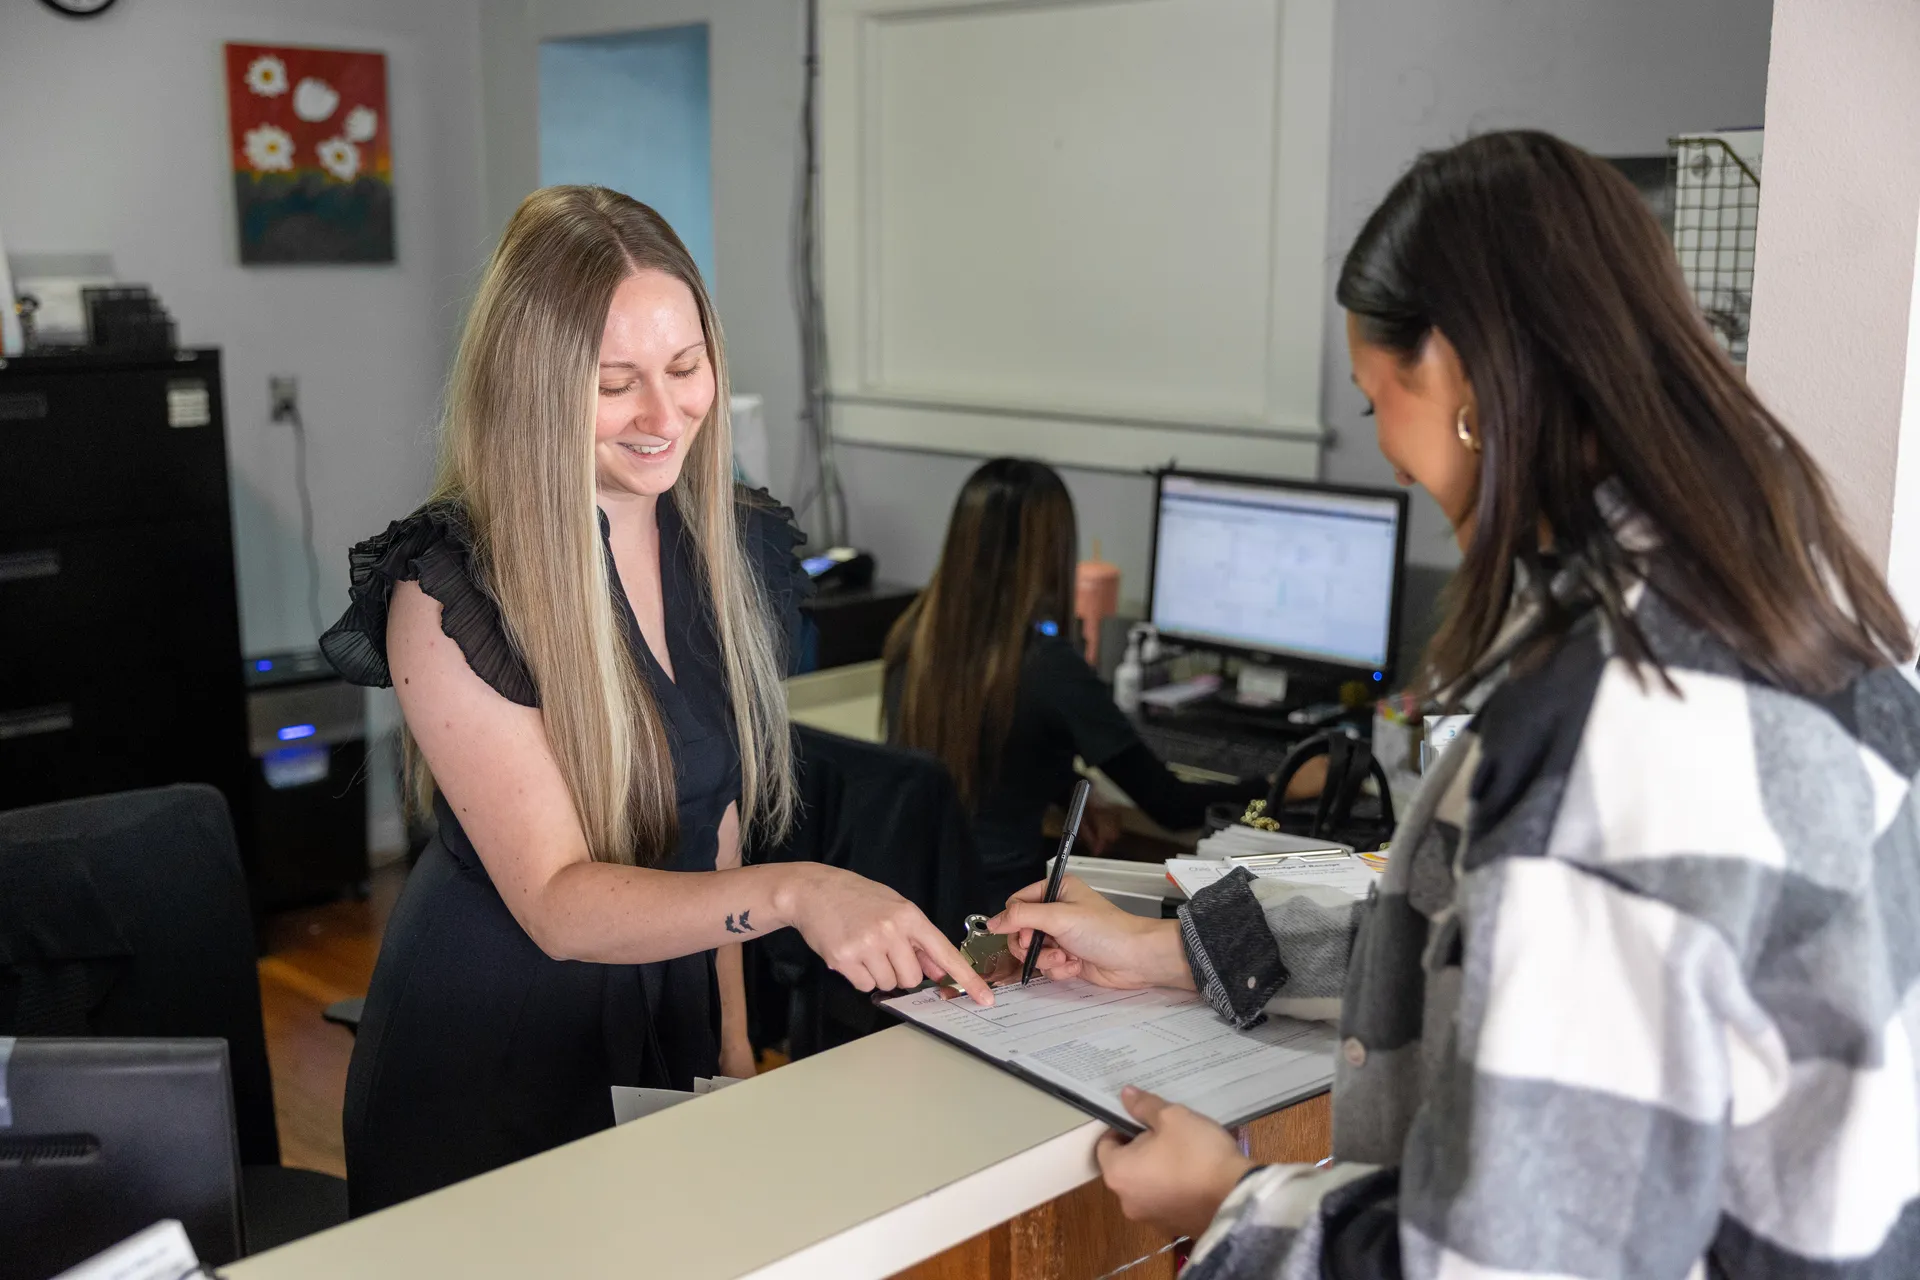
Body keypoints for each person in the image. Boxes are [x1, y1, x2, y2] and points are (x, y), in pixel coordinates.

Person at [987, 131, 1920, 1278]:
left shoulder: (1617, 726)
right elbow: (1481, 942)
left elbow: (1508, 1259)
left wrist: (1231, 1200)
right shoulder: (1789, 603)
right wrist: (1175, 950)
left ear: (1455, 372)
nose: (1389, 454)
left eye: (1376, 397)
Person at [320, 187, 990, 1215]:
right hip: (493, 1050)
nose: (664, 414)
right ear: (534, 387)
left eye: (685, 369)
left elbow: (711, 823)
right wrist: (800, 888)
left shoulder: (732, 542)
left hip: (669, 998)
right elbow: (554, 899)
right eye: (615, 383)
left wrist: (728, 1040)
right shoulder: (451, 585)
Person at [882, 457, 1284, 908]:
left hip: (925, 902)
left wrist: (1069, 792)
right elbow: (1173, 807)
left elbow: (991, 752)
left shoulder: (914, 636)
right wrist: (1279, 783)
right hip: (1008, 911)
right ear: (1052, 551)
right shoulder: (1049, 668)